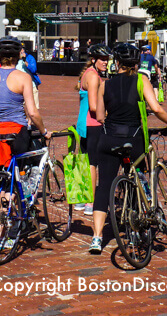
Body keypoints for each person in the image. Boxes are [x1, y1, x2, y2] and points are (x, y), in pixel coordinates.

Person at [89, 43, 167, 254]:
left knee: (104, 187)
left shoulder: (105, 84)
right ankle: (136, 230)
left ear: (117, 63)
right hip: (133, 138)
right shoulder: (141, 80)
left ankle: (96, 237)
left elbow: (100, 116)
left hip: (108, 138)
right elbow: (156, 108)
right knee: (137, 180)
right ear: (136, 63)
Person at [0, 36, 50, 250]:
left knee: (3, 181)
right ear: (19, 54)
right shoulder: (23, 77)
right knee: (18, 180)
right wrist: (44, 131)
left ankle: (0, 229)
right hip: (16, 132)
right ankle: (11, 228)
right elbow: (33, 112)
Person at [74, 44, 110, 216]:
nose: (106, 62)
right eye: (102, 59)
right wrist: (109, 114)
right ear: (94, 59)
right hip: (93, 124)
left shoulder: (87, 74)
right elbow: (94, 107)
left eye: (107, 60)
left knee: (85, 160)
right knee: (93, 164)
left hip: (82, 124)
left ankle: (81, 199)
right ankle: (90, 202)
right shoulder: (94, 77)